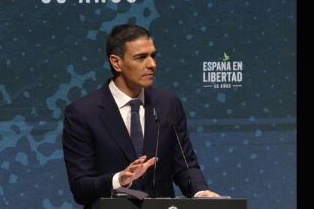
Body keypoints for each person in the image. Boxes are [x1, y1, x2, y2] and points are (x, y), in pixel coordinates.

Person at [62, 24, 219, 207]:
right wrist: (119, 180)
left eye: (153, 55)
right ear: (116, 62)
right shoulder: (83, 112)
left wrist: (200, 192)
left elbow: (185, 164)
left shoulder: (168, 104)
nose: (152, 64)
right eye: (141, 57)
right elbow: (81, 188)